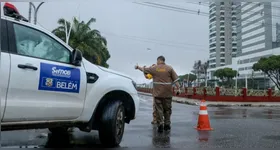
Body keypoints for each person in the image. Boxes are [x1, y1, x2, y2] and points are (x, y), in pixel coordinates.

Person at [135, 56, 181, 132]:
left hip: (158, 94)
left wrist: (137, 67)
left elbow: (144, 69)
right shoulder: (169, 68)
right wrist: (178, 88)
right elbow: (175, 80)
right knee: (167, 109)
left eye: (157, 61)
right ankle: (167, 125)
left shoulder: (155, 68)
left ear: (159, 60)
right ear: (163, 61)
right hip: (167, 94)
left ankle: (160, 124)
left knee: (159, 110)